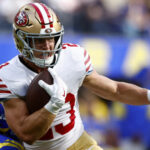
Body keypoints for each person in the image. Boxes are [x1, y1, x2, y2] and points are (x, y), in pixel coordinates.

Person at [0, 2, 150, 150]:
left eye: (51, 38)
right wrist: (53, 106)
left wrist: (148, 95)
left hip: (79, 143)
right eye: (39, 40)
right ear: (21, 40)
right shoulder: (8, 75)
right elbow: (26, 134)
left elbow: (115, 90)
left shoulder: (72, 56)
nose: (47, 46)